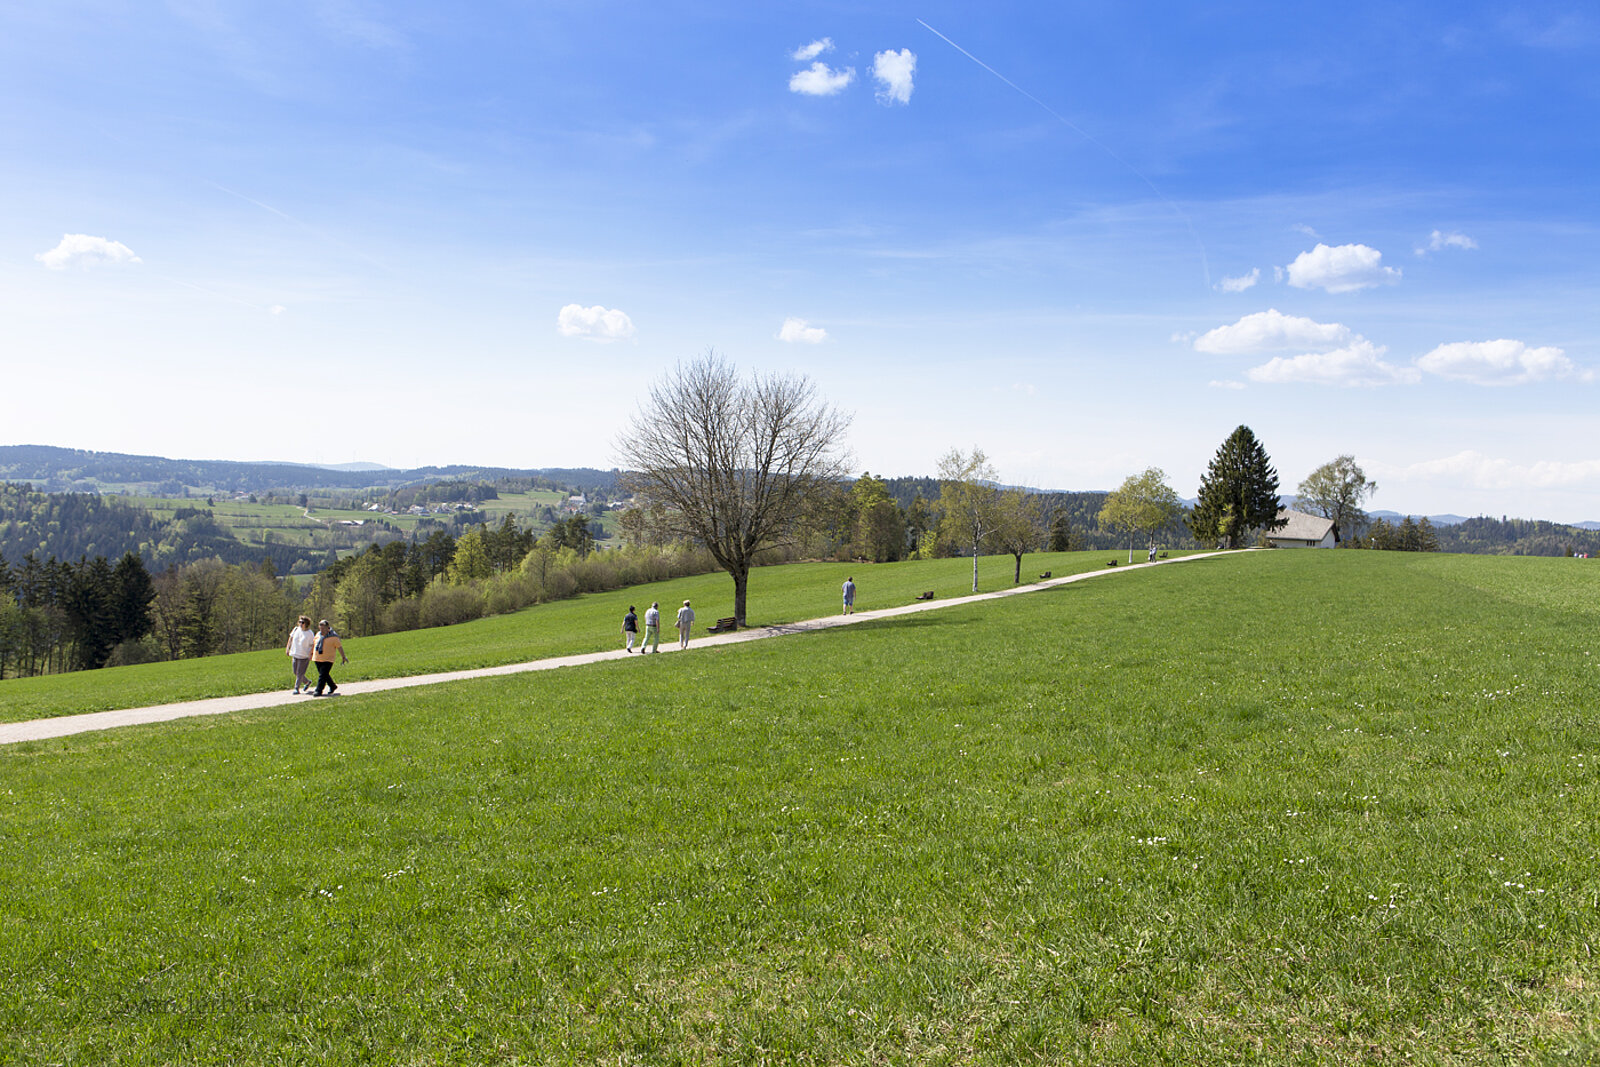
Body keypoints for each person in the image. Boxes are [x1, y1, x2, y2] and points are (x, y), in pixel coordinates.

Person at [311, 619, 348, 696]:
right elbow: (314, 644)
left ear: (328, 627)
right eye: (320, 626)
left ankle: (318, 690)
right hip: (317, 658)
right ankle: (332, 686)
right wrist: (310, 653)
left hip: (328, 659)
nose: (322, 629)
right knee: (324, 675)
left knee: (322, 675)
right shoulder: (318, 635)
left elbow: (339, 647)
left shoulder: (334, 637)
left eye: (323, 627)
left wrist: (343, 657)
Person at [285, 615, 316, 693]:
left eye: (302, 622)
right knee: (295, 671)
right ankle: (307, 682)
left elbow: (313, 644)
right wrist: (287, 648)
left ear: (306, 624)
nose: (300, 624)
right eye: (299, 622)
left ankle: (296, 688)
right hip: (295, 653)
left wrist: (311, 654)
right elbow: (290, 638)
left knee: (300, 673)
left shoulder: (310, 633)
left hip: (304, 655)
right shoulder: (296, 629)